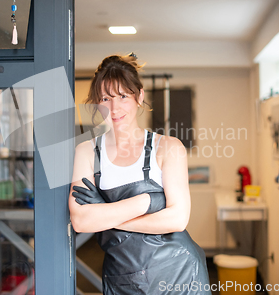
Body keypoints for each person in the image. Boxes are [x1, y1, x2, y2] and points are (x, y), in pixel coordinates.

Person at [69, 54, 211, 295]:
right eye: (105, 98)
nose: (114, 108)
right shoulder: (86, 151)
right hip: (122, 278)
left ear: (139, 96)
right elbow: (82, 221)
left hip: (179, 274)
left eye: (122, 96)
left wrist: (107, 219)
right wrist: (148, 201)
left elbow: (177, 220)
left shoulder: (168, 147)